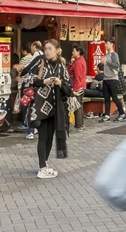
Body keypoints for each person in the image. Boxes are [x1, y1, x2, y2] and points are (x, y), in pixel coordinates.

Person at [28, 40, 72, 178]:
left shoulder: (61, 67)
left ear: (57, 50)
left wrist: (59, 83)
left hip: (56, 109)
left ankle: (44, 165)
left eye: (50, 48)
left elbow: (69, 89)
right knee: (42, 137)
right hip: (41, 108)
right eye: (45, 49)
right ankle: (42, 168)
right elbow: (29, 80)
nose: (47, 51)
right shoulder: (40, 63)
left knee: (50, 138)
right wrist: (44, 82)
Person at [15, 42, 42, 138]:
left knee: (29, 107)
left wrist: (21, 74)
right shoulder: (42, 57)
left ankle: (30, 130)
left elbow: (29, 68)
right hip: (40, 86)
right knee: (36, 107)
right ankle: (34, 128)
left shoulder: (37, 56)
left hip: (32, 85)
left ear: (34, 47)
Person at [101, 38, 126, 122]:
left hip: (113, 79)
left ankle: (122, 114)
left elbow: (117, 65)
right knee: (106, 98)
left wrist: (107, 61)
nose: (105, 45)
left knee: (114, 98)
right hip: (106, 79)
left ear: (112, 44)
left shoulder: (114, 54)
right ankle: (107, 115)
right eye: (105, 43)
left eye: (107, 43)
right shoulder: (106, 55)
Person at [67, 45, 87, 132]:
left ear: (78, 51)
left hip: (78, 86)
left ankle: (79, 125)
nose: (72, 52)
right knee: (79, 105)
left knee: (77, 106)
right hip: (81, 86)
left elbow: (77, 77)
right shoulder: (79, 60)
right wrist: (71, 63)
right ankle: (80, 124)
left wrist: (75, 90)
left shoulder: (78, 63)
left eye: (74, 51)